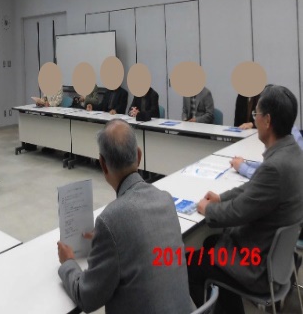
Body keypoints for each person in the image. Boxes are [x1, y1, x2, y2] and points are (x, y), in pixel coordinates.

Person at [57, 119, 192, 314]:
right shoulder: (166, 199)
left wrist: (68, 262)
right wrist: (108, 238)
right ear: (139, 156)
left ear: (103, 164)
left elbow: (87, 297)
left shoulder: (110, 220)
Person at [188, 85, 303, 314]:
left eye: (256, 114)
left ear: (267, 120)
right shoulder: (292, 153)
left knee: (189, 263)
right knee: (210, 243)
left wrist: (207, 209)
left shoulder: (275, 167)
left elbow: (236, 213)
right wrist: (221, 197)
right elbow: (252, 188)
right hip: (274, 256)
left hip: (257, 264)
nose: (254, 119)